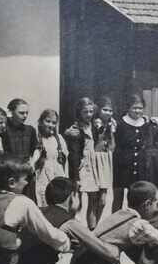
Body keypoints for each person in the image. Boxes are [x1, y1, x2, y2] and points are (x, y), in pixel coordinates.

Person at [63, 97, 103, 228]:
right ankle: (73, 229)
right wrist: (75, 176)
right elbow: (74, 155)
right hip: (81, 167)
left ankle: (92, 231)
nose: (89, 115)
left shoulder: (94, 127)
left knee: (94, 201)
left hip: (93, 167)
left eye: (91, 111)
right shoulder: (75, 129)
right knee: (76, 202)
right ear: (79, 112)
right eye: (86, 112)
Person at [113, 94, 153, 212]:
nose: (137, 111)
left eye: (140, 108)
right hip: (122, 164)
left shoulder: (145, 124)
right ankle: (115, 222)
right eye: (134, 108)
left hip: (139, 164)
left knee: (135, 195)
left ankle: (133, 220)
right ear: (128, 108)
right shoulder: (120, 123)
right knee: (118, 196)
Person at [1, 98, 39, 200]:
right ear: (11, 112)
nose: (25, 116)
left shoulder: (30, 130)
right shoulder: (4, 130)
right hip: (11, 174)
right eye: (21, 113)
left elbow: (36, 148)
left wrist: (33, 162)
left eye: (27, 113)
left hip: (27, 173)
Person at [31, 109, 68, 207]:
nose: (51, 125)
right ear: (40, 121)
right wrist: (41, 158)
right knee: (44, 204)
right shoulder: (37, 138)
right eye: (47, 121)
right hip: (43, 178)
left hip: (57, 176)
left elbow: (64, 161)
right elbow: (33, 164)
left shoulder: (59, 139)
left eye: (54, 122)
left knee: (59, 205)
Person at [91, 95, 117, 226]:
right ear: (99, 110)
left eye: (110, 110)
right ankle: (93, 226)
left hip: (106, 159)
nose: (108, 113)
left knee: (103, 198)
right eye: (105, 110)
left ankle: (97, 225)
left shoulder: (112, 124)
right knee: (94, 197)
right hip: (96, 159)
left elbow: (112, 145)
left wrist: (111, 131)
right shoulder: (95, 123)